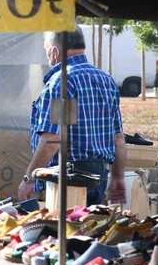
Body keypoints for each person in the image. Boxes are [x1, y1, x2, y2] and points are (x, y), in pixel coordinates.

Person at [18, 29, 127, 205]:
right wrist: (118, 178)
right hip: (99, 175)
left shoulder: (63, 81)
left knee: (64, 230)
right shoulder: (106, 80)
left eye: (46, 50)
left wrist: (28, 179)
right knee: (88, 229)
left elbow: (53, 140)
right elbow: (118, 139)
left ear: (54, 51)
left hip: (68, 178)